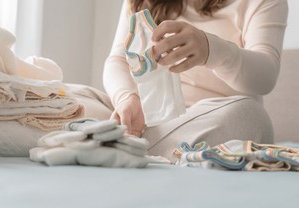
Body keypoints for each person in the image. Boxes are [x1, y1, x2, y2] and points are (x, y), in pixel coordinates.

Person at [104, 0, 288, 161]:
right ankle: (131, 147)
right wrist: (127, 98)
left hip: (211, 122)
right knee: (78, 96)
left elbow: (266, 76)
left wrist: (212, 50)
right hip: (144, 118)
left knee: (250, 115)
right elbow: (118, 61)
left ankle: (108, 145)